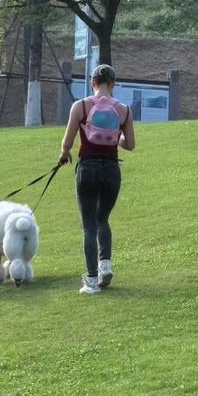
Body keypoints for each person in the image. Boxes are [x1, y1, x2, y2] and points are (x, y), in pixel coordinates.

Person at [58, 63, 136, 295]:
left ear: (93, 82)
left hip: (87, 168)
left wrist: (64, 155)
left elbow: (67, 141)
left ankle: (91, 281)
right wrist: (115, 140)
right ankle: (106, 266)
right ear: (112, 84)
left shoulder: (80, 106)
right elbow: (130, 144)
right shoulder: (124, 110)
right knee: (103, 219)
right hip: (112, 169)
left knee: (89, 226)